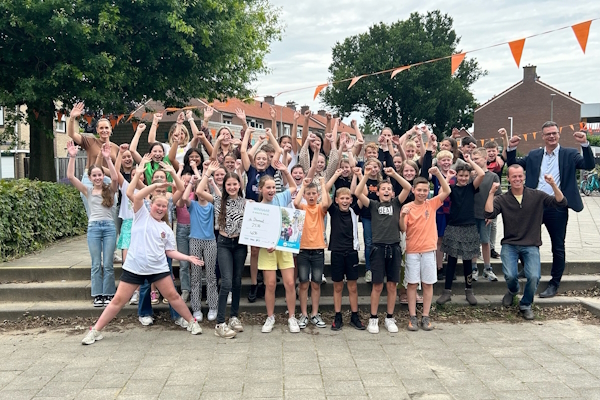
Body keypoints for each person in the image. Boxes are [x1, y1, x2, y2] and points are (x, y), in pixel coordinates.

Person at [81, 161, 203, 345]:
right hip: (134, 267)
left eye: (164, 206)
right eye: (157, 205)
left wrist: (187, 257)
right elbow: (133, 195)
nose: (160, 208)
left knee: (174, 296)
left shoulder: (166, 229)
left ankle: (192, 322)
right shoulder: (141, 214)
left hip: (157, 268)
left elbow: (170, 251)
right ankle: (96, 330)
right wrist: (152, 184)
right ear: (151, 205)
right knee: (118, 301)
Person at [506, 123, 594, 298]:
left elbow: (589, 165)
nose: (551, 136)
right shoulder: (534, 154)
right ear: (542, 136)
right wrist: (512, 148)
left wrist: (585, 144)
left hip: (557, 205)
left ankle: (554, 283)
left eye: (554, 133)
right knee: (524, 239)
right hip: (534, 205)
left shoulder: (570, 154)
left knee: (558, 246)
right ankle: (526, 268)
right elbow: (513, 165)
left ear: (558, 135)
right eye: (548, 134)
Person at [484, 165, 567, 319]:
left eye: (520, 176)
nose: (517, 179)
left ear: (524, 177)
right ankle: (513, 290)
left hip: (531, 244)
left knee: (534, 276)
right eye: (514, 176)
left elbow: (560, 202)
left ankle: (526, 304)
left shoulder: (537, 195)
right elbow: (489, 212)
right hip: (510, 244)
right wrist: (491, 193)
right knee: (510, 275)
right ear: (508, 179)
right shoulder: (502, 199)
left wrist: (553, 185)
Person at [355, 165, 411, 334]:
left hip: (394, 248)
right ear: (377, 192)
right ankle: (373, 318)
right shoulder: (372, 205)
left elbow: (408, 187)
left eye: (389, 189)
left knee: (392, 285)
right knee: (377, 285)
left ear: (393, 193)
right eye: (383, 189)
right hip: (377, 249)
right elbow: (358, 193)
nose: (386, 191)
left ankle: (389, 317)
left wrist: (394, 175)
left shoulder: (396, 203)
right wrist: (364, 176)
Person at [67, 140, 118, 307]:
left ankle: (109, 293)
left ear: (103, 176)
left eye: (99, 175)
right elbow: (70, 177)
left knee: (108, 263)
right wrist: (73, 157)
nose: (97, 177)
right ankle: (98, 294)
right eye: (94, 175)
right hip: (94, 229)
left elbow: (116, 177)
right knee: (96, 263)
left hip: (109, 228)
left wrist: (107, 159)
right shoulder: (87, 190)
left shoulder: (109, 189)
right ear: (90, 178)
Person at [400, 168, 451, 331]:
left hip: (429, 250)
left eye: (425, 190)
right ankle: (413, 316)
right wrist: (402, 216)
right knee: (412, 284)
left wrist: (438, 175)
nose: (422, 193)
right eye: (419, 190)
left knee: (428, 284)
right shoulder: (407, 207)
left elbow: (447, 190)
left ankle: (426, 316)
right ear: (413, 190)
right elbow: (402, 229)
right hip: (413, 251)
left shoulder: (432, 203)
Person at [436, 153, 485, 306]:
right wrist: (447, 177)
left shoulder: (472, 187)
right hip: (453, 227)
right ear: (456, 175)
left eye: (466, 175)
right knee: (451, 261)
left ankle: (469, 290)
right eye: (460, 175)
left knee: (467, 262)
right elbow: (439, 197)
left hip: (469, 227)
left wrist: (470, 160)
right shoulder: (450, 188)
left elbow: (482, 173)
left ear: (469, 176)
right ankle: (447, 291)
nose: (463, 178)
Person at [241, 127, 281, 302]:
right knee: (255, 251)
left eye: (264, 158)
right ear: (254, 160)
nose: (262, 161)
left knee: (268, 248)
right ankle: (254, 283)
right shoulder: (250, 170)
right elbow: (243, 150)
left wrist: (270, 135)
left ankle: (267, 281)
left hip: (269, 213)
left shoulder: (270, 172)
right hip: (253, 214)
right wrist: (254, 137)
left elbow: (278, 150)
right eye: (259, 158)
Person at [257, 165, 299, 333]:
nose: (272, 190)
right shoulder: (257, 208)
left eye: (274, 187)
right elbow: (255, 233)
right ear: (260, 189)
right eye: (268, 187)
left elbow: (294, 187)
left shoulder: (281, 198)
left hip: (284, 246)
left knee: (289, 282)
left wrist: (286, 171)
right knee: (271, 284)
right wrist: (263, 243)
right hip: (267, 250)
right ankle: (270, 317)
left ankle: (292, 317)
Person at [294, 177, 330, 329]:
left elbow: (327, 203)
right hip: (303, 250)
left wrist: (322, 185)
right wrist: (302, 186)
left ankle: (315, 313)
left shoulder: (320, 208)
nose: (310, 196)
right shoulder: (303, 207)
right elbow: (295, 203)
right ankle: (304, 314)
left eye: (313, 193)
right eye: (308, 193)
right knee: (303, 283)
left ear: (317, 195)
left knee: (316, 283)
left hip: (317, 250)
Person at [327, 185, 364, 331]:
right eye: (341, 198)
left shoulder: (354, 211)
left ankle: (355, 315)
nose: (344, 201)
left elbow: (362, 193)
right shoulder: (334, 211)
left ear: (351, 200)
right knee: (337, 286)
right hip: (336, 251)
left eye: (347, 198)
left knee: (353, 286)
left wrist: (364, 175)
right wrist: (331, 177)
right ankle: (338, 315)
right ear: (336, 200)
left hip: (352, 252)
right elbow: (325, 193)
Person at [470, 148, 501, 282]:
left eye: (477, 159)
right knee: (473, 242)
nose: (474, 161)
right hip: (472, 214)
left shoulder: (493, 176)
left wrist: (491, 213)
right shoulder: (471, 176)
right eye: (473, 159)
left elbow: (497, 196)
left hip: (485, 215)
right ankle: (473, 268)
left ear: (485, 159)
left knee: (485, 241)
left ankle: (488, 268)